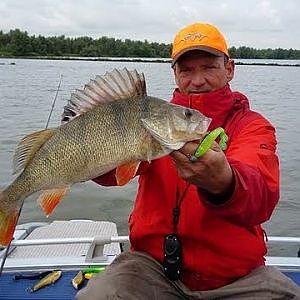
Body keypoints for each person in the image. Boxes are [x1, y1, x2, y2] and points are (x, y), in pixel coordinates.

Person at [76, 23, 300, 299]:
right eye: (186, 70)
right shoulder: (154, 119)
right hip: (151, 267)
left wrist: (224, 183)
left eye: (208, 67)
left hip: (235, 277)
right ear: (175, 73)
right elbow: (115, 175)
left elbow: (261, 196)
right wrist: (88, 155)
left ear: (229, 68)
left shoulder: (252, 126)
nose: (197, 80)